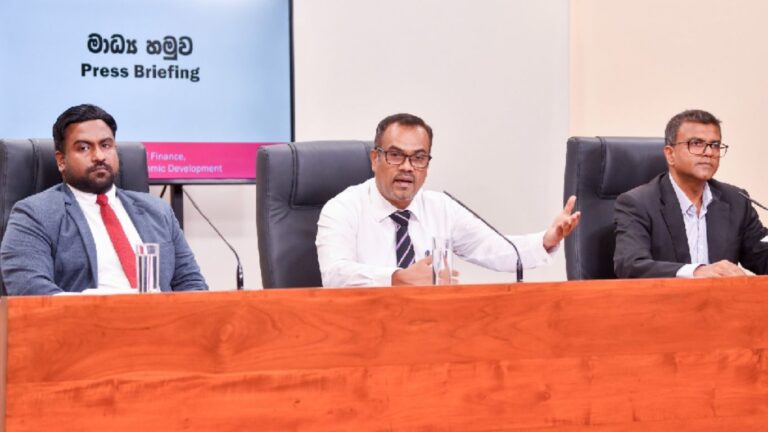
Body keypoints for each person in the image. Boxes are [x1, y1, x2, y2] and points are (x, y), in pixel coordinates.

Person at [316, 113, 580, 287]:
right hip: (366, 332)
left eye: (418, 158)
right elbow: (334, 274)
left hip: (433, 330)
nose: (407, 167)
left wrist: (546, 240)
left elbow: (495, 249)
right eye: (396, 155)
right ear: (375, 159)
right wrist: (396, 279)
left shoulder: (441, 207)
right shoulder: (343, 209)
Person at [0, 104, 208, 295]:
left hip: (162, 321)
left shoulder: (158, 210)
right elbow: (31, 291)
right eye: (84, 148)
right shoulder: (34, 214)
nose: (99, 156)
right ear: (61, 161)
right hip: (85, 322)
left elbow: (192, 284)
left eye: (106, 145)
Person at [614, 109, 768, 278]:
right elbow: (630, 266)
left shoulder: (736, 200)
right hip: (668, 295)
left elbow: (762, 258)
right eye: (696, 143)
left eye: (715, 145)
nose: (709, 152)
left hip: (723, 296)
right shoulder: (638, 203)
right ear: (670, 154)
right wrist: (697, 271)